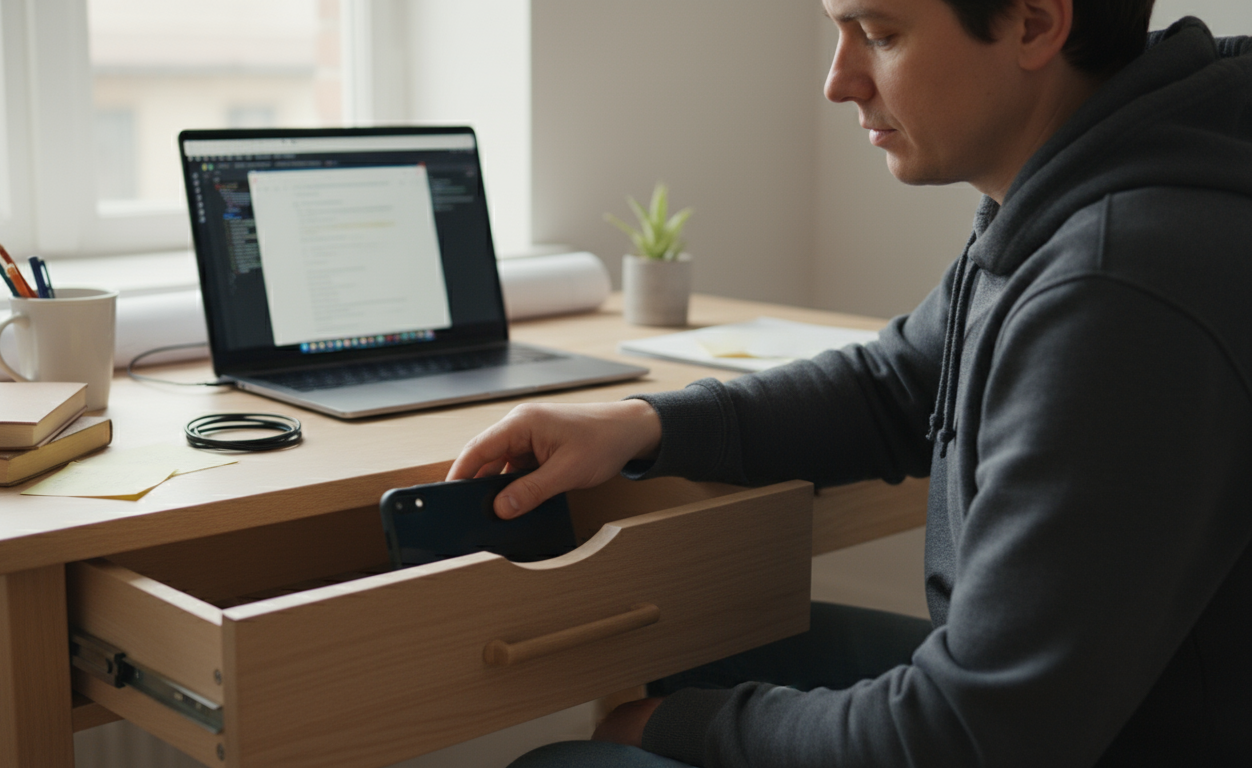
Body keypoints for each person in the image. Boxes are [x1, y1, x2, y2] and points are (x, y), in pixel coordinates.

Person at [448, 0, 1252, 763]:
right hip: (1086, 712)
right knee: (696, 652)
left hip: (1092, 741)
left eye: (879, 33)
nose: (839, 81)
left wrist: (675, 728)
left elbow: (965, 739)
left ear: (1034, 23)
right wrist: (643, 424)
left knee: (569, 759)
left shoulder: (1115, 290)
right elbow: (896, 383)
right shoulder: (1080, 187)